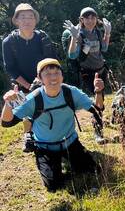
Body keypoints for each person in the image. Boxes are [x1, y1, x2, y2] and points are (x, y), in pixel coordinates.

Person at [1, 58, 104, 192]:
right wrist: (8, 103)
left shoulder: (71, 92)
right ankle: (48, 164)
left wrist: (98, 91)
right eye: (47, 74)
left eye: (56, 72)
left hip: (70, 143)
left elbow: (97, 109)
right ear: (40, 78)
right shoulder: (33, 98)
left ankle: (70, 161)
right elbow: (7, 122)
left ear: (62, 75)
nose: (53, 77)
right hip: (45, 147)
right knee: (53, 185)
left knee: (92, 170)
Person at [1, 3, 57, 152]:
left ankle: (49, 134)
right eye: (23, 17)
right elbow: (10, 68)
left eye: (30, 17)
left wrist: (41, 80)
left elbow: (52, 60)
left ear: (35, 20)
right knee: (25, 110)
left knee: (46, 109)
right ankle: (28, 135)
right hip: (19, 83)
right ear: (16, 20)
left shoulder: (43, 38)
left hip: (44, 81)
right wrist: (28, 86)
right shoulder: (8, 42)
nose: (27, 20)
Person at [64, 7, 111, 143]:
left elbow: (105, 48)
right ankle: (98, 133)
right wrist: (74, 37)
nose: (90, 20)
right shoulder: (79, 34)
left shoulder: (97, 32)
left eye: (93, 17)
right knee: (97, 101)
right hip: (88, 73)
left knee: (100, 99)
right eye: (87, 18)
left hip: (101, 70)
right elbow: (72, 55)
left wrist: (107, 33)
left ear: (96, 19)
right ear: (82, 20)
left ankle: (98, 121)